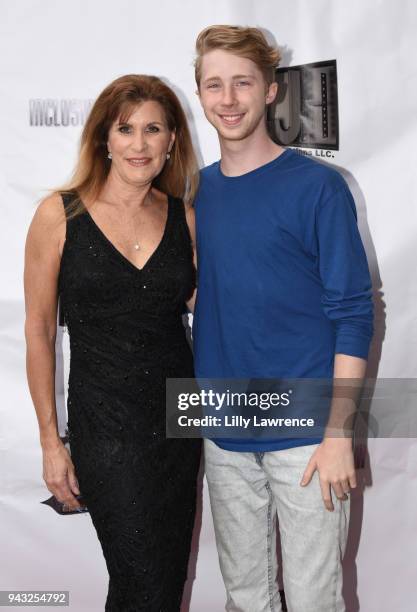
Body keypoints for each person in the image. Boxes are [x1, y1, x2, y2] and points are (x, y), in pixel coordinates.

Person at [192, 25, 373, 611]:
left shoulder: (319, 187)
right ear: (199, 94)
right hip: (224, 431)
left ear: (271, 90)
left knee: (314, 600)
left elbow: (354, 313)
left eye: (242, 82)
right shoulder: (197, 193)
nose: (228, 99)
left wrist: (340, 432)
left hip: (308, 437)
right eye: (214, 84)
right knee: (245, 599)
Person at [24, 74, 202, 612]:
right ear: (104, 137)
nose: (140, 144)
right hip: (106, 429)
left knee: (159, 586)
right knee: (141, 579)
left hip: (178, 424)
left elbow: (217, 315)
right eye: (126, 129)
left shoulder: (185, 219)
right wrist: (51, 443)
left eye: (154, 129)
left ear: (173, 139)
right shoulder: (59, 215)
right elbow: (37, 331)